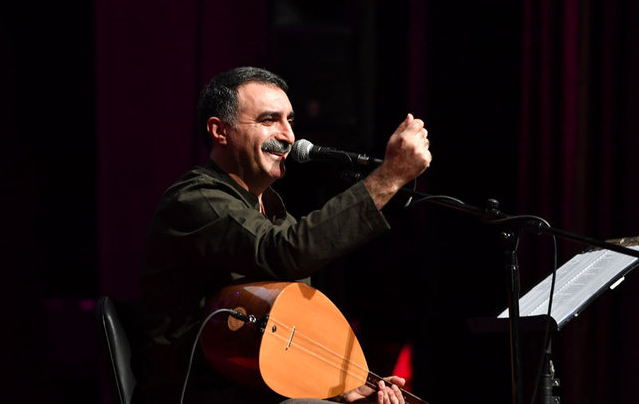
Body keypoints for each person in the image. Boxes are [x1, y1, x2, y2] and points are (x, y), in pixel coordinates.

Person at [136, 66, 432, 404]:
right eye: (269, 120)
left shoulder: (275, 214)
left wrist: (343, 389)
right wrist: (389, 177)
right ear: (220, 131)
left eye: (289, 120)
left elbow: (289, 335)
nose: (289, 136)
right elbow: (282, 253)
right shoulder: (194, 200)